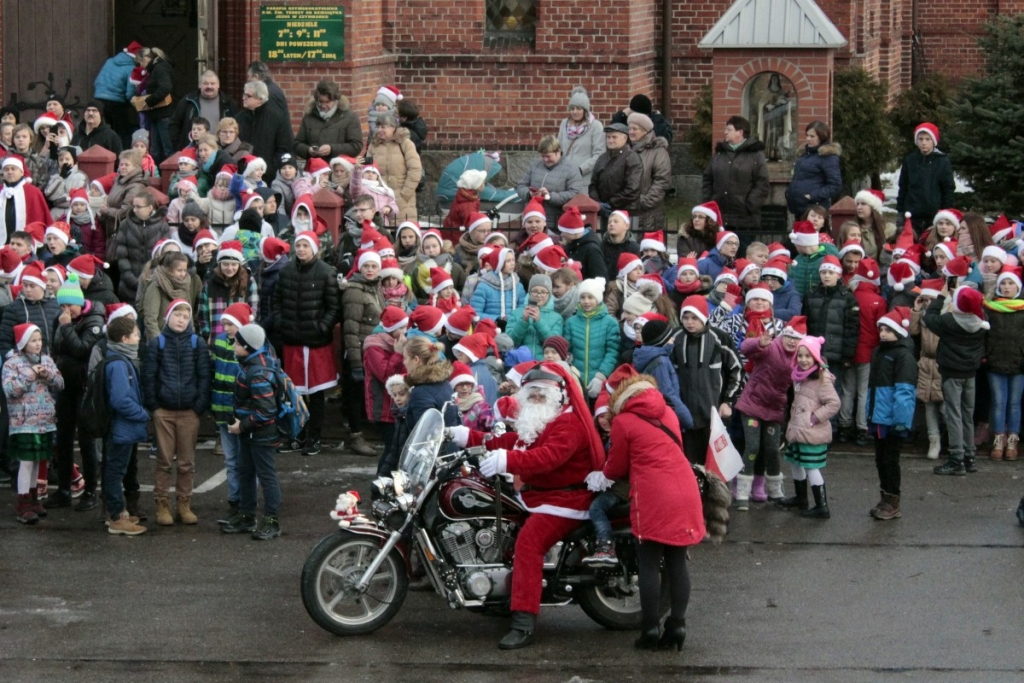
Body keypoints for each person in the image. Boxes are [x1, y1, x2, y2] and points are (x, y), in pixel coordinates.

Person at [448, 362, 604, 649]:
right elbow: (514, 440)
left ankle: (523, 621)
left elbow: (548, 457)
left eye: (542, 394)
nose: (536, 399)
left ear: (559, 395)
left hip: (563, 500)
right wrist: (467, 436)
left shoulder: (570, 423)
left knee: (528, 545)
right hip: (539, 496)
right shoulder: (544, 419)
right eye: (531, 394)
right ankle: (503, 593)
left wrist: (507, 461)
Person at [588, 372, 705, 651]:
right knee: (677, 562)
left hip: (654, 493)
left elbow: (617, 467)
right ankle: (677, 625)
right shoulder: (669, 413)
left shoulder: (624, 422)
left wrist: (600, 475)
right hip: (684, 488)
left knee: (649, 563)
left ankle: (650, 629)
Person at [142, 299, 211, 526]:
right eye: (177, 315)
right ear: (167, 316)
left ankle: (184, 504)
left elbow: (204, 376)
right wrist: (154, 407)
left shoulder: (197, 343)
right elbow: (149, 376)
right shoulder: (157, 343)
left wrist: (198, 407)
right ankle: (162, 503)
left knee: (186, 462)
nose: (181, 320)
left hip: (189, 412)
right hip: (164, 411)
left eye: (185, 316)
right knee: (164, 461)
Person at [272, 230, 339, 456]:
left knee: (316, 394)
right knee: (294, 393)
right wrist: (282, 324)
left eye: (305, 246)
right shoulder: (286, 271)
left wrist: (321, 327)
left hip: (316, 343)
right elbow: (277, 301)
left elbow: (333, 308)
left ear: (315, 248)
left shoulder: (326, 272)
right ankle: (297, 436)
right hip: (292, 341)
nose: (301, 249)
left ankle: (315, 437)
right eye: (298, 245)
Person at [733, 315, 808, 508]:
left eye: (796, 338)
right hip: (752, 405)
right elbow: (745, 347)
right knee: (752, 447)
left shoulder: (800, 357)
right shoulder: (771, 347)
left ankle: (775, 491)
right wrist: (759, 342)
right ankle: (742, 490)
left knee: (773, 449)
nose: (792, 341)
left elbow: (812, 369)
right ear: (783, 335)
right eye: (789, 336)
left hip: (774, 409)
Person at [219, 323, 283, 540]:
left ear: (248, 348)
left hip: (261, 434)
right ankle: (247, 516)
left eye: (238, 343)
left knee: (266, 475)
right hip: (251, 433)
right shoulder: (254, 363)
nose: (234, 346)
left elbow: (266, 411)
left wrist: (242, 425)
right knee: (245, 472)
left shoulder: (257, 373)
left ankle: (272, 521)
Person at [47, 275, 106, 511]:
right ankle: (63, 489)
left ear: (80, 303)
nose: (66, 310)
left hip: (84, 386)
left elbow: (82, 349)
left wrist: (67, 327)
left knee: (86, 439)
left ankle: (90, 490)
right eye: (62, 305)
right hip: (65, 385)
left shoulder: (94, 320)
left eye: (69, 305)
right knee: (63, 438)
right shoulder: (60, 319)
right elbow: (56, 348)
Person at [926, 286, 988, 476]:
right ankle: (969, 455)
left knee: (954, 415)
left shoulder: (948, 321)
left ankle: (956, 458)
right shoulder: (982, 321)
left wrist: (942, 295)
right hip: (970, 373)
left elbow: (929, 317)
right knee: (967, 414)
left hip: (951, 373)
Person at [674, 296, 744, 464]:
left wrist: (728, 401)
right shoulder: (675, 338)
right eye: (686, 317)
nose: (690, 322)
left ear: (704, 317)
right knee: (689, 464)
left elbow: (737, 369)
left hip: (714, 414)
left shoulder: (719, 338)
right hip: (684, 415)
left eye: (694, 318)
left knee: (714, 465)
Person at [5, 323, 63, 524]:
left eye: (39, 340)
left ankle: (34, 498)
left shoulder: (47, 359)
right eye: (33, 341)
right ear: (23, 343)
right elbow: (10, 390)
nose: (38, 344)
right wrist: (30, 373)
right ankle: (23, 503)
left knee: (39, 460)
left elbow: (60, 383)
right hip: (23, 421)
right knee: (27, 461)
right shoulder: (11, 363)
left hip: (44, 420)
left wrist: (49, 375)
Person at [779, 333, 841, 518]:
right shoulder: (799, 376)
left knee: (811, 467)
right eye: (800, 355)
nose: (803, 360)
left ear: (815, 357)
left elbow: (834, 403)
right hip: (798, 430)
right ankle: (801, 498)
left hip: (811, 432)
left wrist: (814, 418)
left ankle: (822, 506)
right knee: (795, 463)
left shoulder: (821, 379)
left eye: (808, 356)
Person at [865, 307, 918, 520]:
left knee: (890, 460)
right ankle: (885, 497)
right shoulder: (878, 352)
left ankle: (893, 501)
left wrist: (901, 421)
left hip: (893, 419)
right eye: (881, 329)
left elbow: (905, 390)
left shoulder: (903, 355)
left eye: (888, 330)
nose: (883, 333)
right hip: (879, 416)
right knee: (881, 460)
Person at [101, 316, 149, 534]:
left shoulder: (118, 359)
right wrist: (142, 414)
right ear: (124, 338)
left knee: (116, 468)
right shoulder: (119, 364)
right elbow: (120, 400)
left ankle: (118, 513)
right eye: (136, 334)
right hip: (122, 427)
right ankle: (116, 517)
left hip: (120, 427)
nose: (139, 338)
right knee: (115, 470)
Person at [340, 250, 385, 456]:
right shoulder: (355, 291)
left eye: (374, 266)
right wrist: (355, 361)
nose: (370, 270)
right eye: (366, 266)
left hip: (371, 350)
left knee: (364, 393)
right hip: (358, 351)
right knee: (354, 395)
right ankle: (354, 437)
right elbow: (351, 328)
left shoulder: (375, 288)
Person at [983, 267, 1024, 461]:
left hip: (1019, 362)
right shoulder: (991, 308)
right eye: (1004, 284)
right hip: (996, 361)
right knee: (998, 402)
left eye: (1011, 283)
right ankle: (998, 440)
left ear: (1018, 287)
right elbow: (984, 335)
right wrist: (986, 355)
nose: (1007, 287)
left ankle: (1012, 441)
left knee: (1014, 403)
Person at [702, 116, 770, 231]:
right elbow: (707, 179)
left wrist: (749, 205)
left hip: (745, 220)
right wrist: (708, 202)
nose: (725, 132)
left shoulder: (755, 154)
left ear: (740, 132)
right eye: (725, 129)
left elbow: (762, 183)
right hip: (719, 217)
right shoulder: (720, 154)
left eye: (729, 129)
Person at [112, 188, 173, 302]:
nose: (135, 210)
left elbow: (164, 256)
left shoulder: (162, 226)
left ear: (150, 208)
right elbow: (122, 256)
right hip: (128, 286)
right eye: (133, 206)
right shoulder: (125, 224)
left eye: (138, 207)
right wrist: (131, 280)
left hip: (154, 284)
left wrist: (151, 279)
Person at [564, 276, 619, 398]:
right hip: (576, 380)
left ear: (598, 298)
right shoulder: (571, 322)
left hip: (600, 380)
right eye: (582, 297)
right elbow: (567, 350)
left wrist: (601, 376)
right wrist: (571, 371)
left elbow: (612, 352)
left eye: (590, 297)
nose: (586, 301)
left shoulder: (610, 322)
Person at [896, 123, 956, 235]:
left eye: (928, 139)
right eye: (921, 139)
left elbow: (948, 188)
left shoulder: (942, 161)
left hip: (934, 216)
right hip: (912, 215)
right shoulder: (910, 160)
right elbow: (903, 187)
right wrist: (900, 211)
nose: (924, 143)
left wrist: (945, 212)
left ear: (933, 141)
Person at [515, 136, 585, 230]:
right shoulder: (535, 165)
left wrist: (549, 196)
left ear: (558, 152)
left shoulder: (571, 169)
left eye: (548, 156)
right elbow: (521, 185)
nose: (545, 159)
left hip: (556, 220)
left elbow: (575, 193)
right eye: (542, 156)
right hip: (533, 218)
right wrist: (529, 194)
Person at [364, 113, 422, 221]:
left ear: (393, 127)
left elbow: (415, 169)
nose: (379, 130)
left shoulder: (405, 143)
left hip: (402, 200)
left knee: (403, 230)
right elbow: (367, 169)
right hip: (379, 200)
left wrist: (404, 194)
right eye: (378, 126)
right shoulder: (373, 145)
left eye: (383, 127)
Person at [237, 80, 295, 183]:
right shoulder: (239, 118)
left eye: (248, 96)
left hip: (267, 175)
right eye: (243, 94)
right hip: (244, 173)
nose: (243, 98)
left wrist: (272, 167)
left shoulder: (276, 117)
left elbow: (285, 146)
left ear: (260, 99)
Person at [785, 120, 842, 219]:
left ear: (822, 137)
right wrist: (789, 193)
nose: (808, 139)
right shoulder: (804, 154)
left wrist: (812, 196)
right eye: (807, 135)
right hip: (798, 208)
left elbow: (835, 185)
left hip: (815, 210)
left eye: (812, 136)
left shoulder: (828, 157)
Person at [168, 70, 238, 150]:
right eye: (205, 83)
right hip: (193, 149)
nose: (209, 86)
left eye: (212, 83)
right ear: (200, 85)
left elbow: (236, 127)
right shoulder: (188, 101)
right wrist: (178, 146)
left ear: (218, 85)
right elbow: (174, 124)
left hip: (221, 149)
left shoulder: (228, 103)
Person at [295, 80, 363, 161]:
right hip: (314, 166)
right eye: (320, 101)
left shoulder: (350, 117)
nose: (323, 105)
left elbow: (356, 146)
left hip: (340, 167)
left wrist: (332, 149)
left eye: (327, 102)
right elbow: (297, 144)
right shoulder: (309, 117)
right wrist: (308, 150)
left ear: (336, 100)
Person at [628, 112, 671, 234]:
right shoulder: (626, 150)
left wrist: (643, 201)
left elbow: (662, 181)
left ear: (645, 131)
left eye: (635, 129)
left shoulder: (658, 151)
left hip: (649, 213)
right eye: (629, 129)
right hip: (627, 211)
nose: (631, 132)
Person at [588, 122, 641, 222]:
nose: (610, 140)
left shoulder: (632, 158)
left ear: (624, 138)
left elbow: (632, 189)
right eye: (608, 137)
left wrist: (610, 203)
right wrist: (598, 203)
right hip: (603, 211)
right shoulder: (602, 158)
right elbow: (593, 184)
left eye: (614, 137)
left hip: (626, 212)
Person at [93, 41, 142, 147]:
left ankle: (104, 151)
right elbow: (130, 91)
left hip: (100, 99)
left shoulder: (110, 61)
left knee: (104, 129)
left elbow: (97, 80)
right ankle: (122, 152)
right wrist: (133, 102)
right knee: (123, 130)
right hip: (117, 101)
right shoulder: (132, 68)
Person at [132, 48, 175, 164]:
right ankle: (154, 171)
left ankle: (168, 172)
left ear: (146, 59)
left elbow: (165, 87)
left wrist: (149, 101)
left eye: (141, 62)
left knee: (166, 149)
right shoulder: (157, 68)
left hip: (163, 114)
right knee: (156, 150)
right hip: (157, 115)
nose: (141, 66)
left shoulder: (160, 68)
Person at [557, 87, 605, 187]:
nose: (575, 112)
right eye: (572, 108)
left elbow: (599, 154)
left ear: (585, 110)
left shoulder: (596, 126)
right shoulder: (564, 124)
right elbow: (558, 150)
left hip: (585, 180)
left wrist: (580, 170)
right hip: (564, 178)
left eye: (579, 108)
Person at [507, 273, 563, 358]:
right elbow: (511, 341)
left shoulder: (557, 318)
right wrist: (523, 321)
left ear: (549, 295)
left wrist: (538, 321)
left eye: (543, 292)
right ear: (529, 293)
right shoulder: (515, 313)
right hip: (520, 361)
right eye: (535, 291)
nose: (539, 295)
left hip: (544, 361)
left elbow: (554, 344)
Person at [0, 156, 50, 245]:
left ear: (21, 172)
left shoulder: (33, 192)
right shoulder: (1, 191)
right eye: (6, 169)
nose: (10, 172)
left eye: (13, 169)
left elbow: (40, 218)